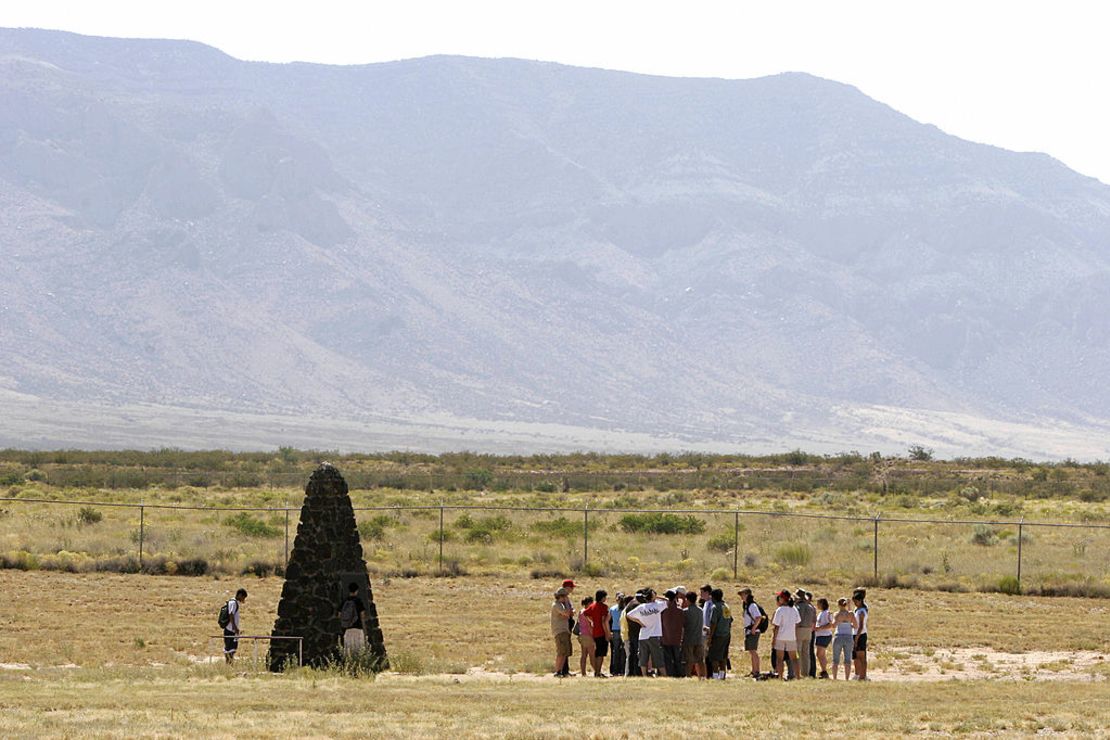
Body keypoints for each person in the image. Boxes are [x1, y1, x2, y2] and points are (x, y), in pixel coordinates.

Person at [627, 588, 668, 677]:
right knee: (658, 656)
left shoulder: (641, 607)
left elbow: (628, 615)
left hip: (643, 635)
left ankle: (644, 675)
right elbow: (667, 601)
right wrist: (658, 597)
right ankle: (664, 675)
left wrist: (639, 622)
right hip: (655, 634)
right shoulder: (657, 605)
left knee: (643, 657)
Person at [771, 589, 800, 680]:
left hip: (780, 637)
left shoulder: (780, 610)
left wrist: (774, 639)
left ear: (783, 599)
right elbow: (797, 622)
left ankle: (780, 676)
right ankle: (798, 677)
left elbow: (776, 626)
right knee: (794, 658)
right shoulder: (794, 609)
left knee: (779, 658)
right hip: (791, 637)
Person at [582, 590, 612, 677]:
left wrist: (592, 621)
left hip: (595, 632)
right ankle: (598, 672)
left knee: (597, 652)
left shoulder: (592, 606)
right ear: (602, 598)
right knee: (601, 653)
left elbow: (585, 613)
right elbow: (603, 621)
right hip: (602, 632)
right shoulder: (603, 607)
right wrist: (607, 633)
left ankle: (597, 671)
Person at [706, 588, 732, 680]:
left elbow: (713, 623)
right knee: (723, 656)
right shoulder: (726, 606)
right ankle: (722, 675)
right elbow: (730, 621)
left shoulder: (715, 607)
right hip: (726, 635)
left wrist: (710, 638)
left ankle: (715, 676)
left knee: (714, 657)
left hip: (718, 635)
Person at [737, 587, 763, 678]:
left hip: (753, 631)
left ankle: (757, 671)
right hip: (750, 630)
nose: (741, 597)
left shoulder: (752, 605)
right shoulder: (747, 605)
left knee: (753, 651)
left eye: (742, 594)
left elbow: (758, 617)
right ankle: (754, 670)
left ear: (747, 594)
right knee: (751, 651)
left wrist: (753, 628)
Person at [830, 597, 858, 680]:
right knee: (847, 659)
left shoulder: (837, 614)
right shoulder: (851, 614)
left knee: (835, 659)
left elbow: (834, 625)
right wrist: (849, 625)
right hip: (848, 636)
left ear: (838, 605)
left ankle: (835, 678)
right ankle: (847, 678)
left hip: (838, 636)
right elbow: (856, 626)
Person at [681, 591, 706, 679]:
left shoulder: (685, 611)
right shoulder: (700, 610)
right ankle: (702, 676)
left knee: (689, 660)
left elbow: (683, 625)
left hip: (689, 639)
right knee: (700, 660)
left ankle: (688, 676)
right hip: (699, 639)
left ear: (687, 599)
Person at [660, 590, 685, 678]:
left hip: (665, 638)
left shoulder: (663, 610)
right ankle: (679, 673)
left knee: (668, 658)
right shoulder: (680, 611)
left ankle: (670, 673)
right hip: (677, 638)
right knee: (677, 658)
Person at [550, 587, 574, 677]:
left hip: (565, 630)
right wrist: (568, 607)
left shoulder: (561, 605)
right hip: (560, 630)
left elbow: (569, 613)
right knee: (561, 652)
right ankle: (557, 671)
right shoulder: (556, 605)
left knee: (565, 652)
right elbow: (567, 613)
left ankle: (561, 671)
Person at [794, 588, 816, 679]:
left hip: (800, 629)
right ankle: (805, 672)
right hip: (808, 630)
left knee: (797, 651)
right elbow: (814, 620)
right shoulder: (810, 607)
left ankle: (797, 672)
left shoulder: (798, 607)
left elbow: (798, 621)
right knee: (806, 653)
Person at [340, 582, 367, 655]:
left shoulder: (344, 601)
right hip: (358, 629)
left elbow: (339, 615)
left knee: (349, 653)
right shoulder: (358, 601)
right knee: (359, 652)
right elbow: (362, 616)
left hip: (347, 630)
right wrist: (365, 630)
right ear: (357, 591)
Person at [557, 579, 577, 677]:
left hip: (568, 623)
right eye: (571, 587)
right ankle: (562, 670)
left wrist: (573, 610)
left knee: (567, 647)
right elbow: (565, 611)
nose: (572, 589)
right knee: (564, 648)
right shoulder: (562, 600)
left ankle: (565, 670)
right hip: (564, 625)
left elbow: (570, 609)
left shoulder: (567, 599)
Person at [223, 588, 247, 664]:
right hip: (230, 630)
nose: (243, 599)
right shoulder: (233, 603)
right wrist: (235, 627)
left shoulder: (235, 603)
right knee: (229, 649)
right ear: (240, 595)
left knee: (232, 648)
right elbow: (231, 614)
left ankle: (230, 663)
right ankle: (228, 663)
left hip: (232, 630)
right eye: (243, 597)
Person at [622, 593, 643, 677]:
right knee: (638, 652)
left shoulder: (628, 606)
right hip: (637, 632)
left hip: (631, 632)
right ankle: (637, 671)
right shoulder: (636, 605)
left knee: (632, 652)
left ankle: (631, 671)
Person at [814, 597, 833, 679]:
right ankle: (823, 671)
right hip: (821, 635)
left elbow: (830, 624)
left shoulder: (826, 613)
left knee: (819, 654)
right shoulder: (822, 613)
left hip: (824, 635)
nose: (817, 605)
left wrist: (819, 628)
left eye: (818, 603)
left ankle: (824, 671)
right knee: (821, 654)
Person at [852, 589, 869, 680]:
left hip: (860, 635)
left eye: (855, 601)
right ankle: (858, 674)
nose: (855, 603)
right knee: (856, 656)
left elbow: (861, 626)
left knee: (861, 656)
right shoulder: (857, 610)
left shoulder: (861, 611)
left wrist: (856, 638)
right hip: (855, 634)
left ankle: (863, 676)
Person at [577, 596, 596, 677]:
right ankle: (597, 671)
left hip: (582, 634)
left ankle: (583, 672)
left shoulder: (581, 611)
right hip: (588, 635)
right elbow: (589, 625)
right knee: (592, 655)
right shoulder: (587, 612)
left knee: (584, 655)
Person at [609, 593, 626, 677]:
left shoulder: (612, 609)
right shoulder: (625, 609)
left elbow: (607, 620)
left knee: (615, 651)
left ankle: (615, 670)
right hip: (624, 631)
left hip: (615, 630)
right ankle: (623, 669)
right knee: (623, 651)